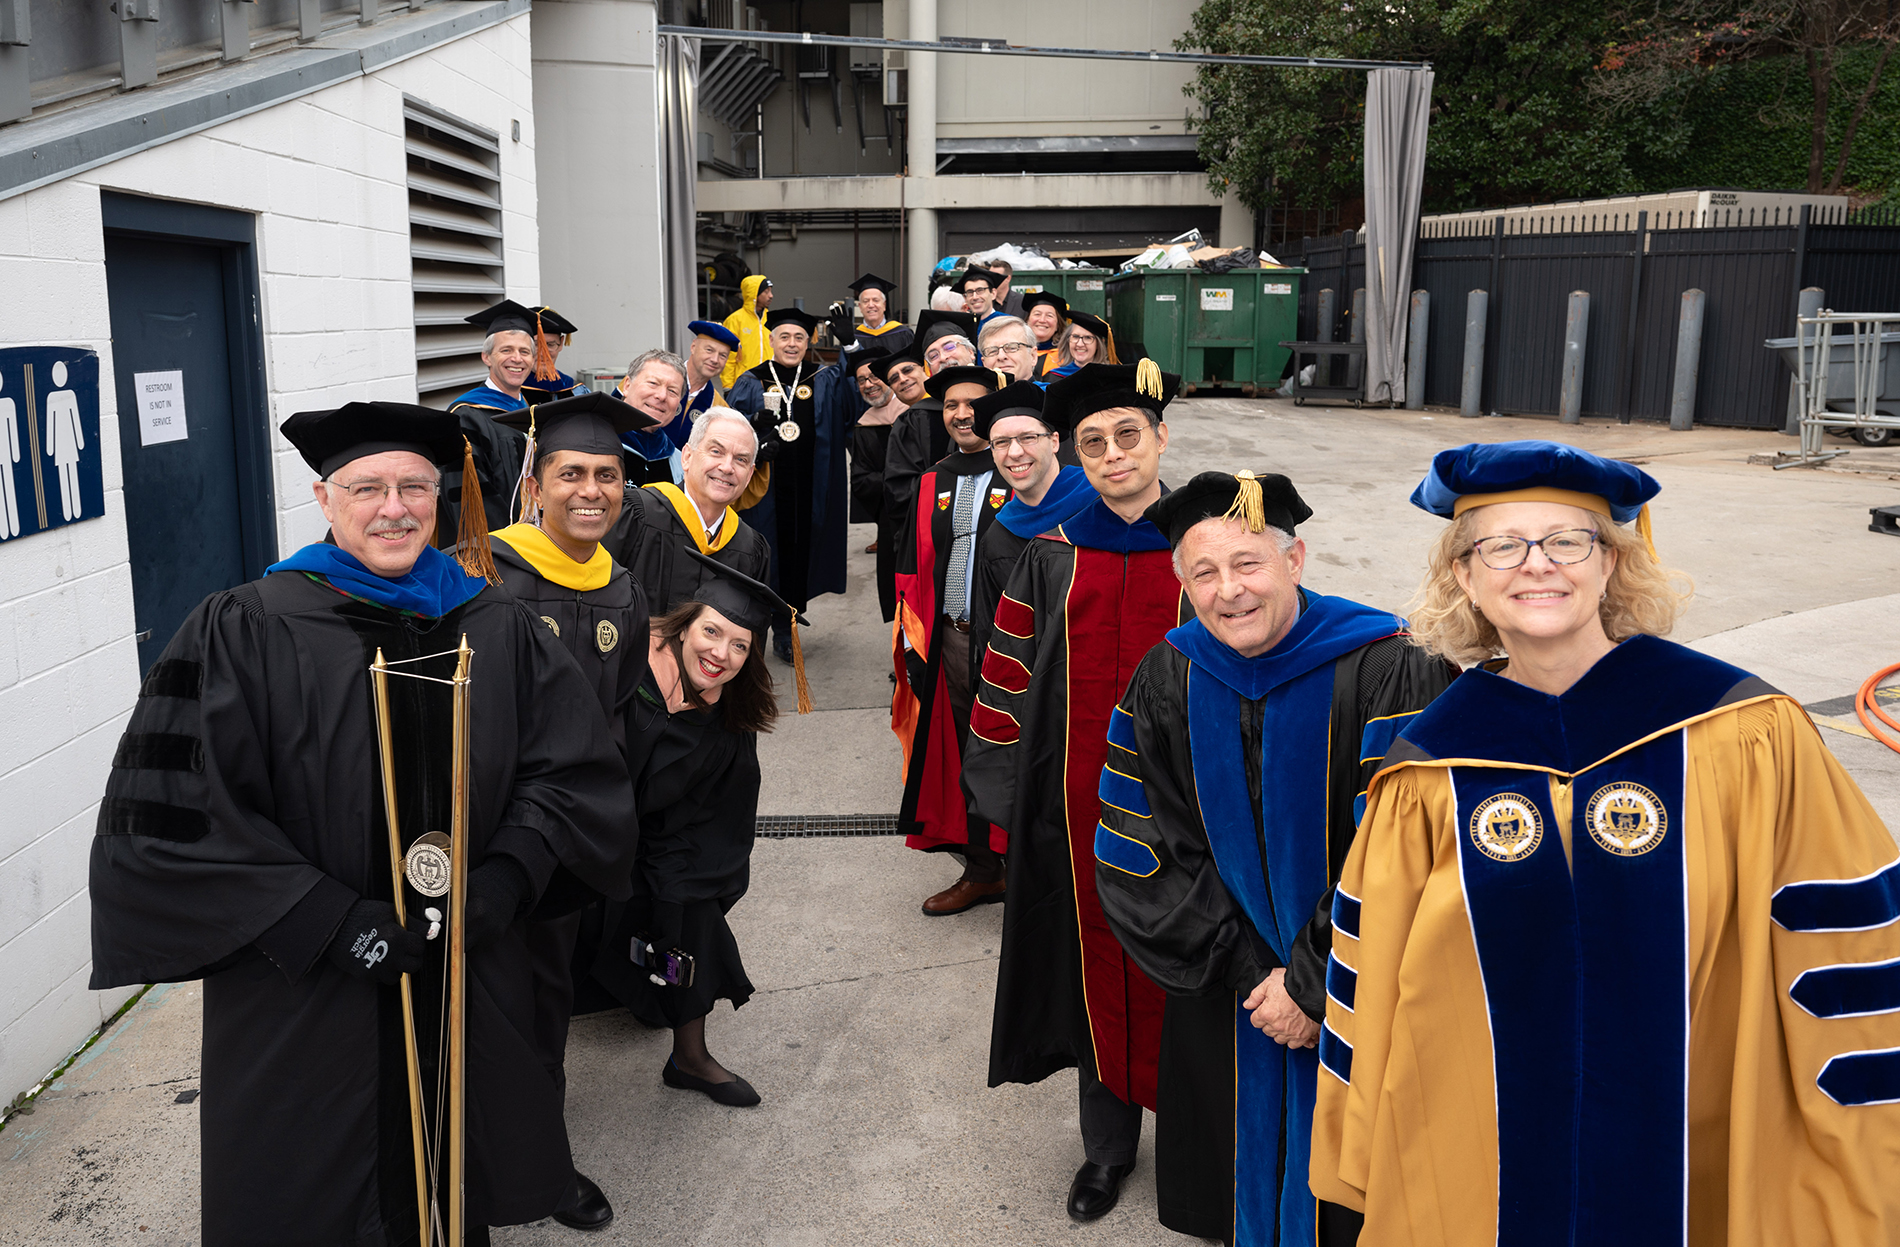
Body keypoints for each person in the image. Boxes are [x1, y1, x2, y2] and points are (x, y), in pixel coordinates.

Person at [1310, 440, 1900, 1247]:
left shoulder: (1742, 732)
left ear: (1613, 561)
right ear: (1464, 575)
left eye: (1566, 540)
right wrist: (1363, 1136)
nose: (1536, 565)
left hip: (1703, 1142)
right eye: (1502, 545)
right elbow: (1370, 978)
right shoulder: (1427, 775)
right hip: (1479, 1155)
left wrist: (1857, 1134)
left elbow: (1845, 942)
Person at [88, 402, 636, 1246]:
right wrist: (333, 922)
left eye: (415, 486)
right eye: (367, 487)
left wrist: (506, 879)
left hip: (464, 971)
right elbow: (182, 815)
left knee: (455, 1175)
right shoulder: (248, 626)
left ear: (440, 496)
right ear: (323, 497)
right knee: (319, 1193)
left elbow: (568, 771)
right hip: (307, 987)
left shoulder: (495, 624)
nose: (395, 507)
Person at [1092, 470, 1458, 1247]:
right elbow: (1141, 841)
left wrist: (1311, 982)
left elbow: (1406, 853)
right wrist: (1251, 976)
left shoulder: (1393, 666)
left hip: (1364, 990)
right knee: (1236, 1202)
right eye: (1205, 572)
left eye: (1249, 563)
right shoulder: (1169, 674)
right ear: (1181, 580)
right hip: (1229, 997)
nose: (1230, 590)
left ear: (1296, 559)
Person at [961, 362, 1186, 1224]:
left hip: (1193, 818)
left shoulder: (1204, 541)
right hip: (1077, 814)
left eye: (1128, 433)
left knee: (1190, 970)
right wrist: (1007, 802)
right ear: (1074, 452)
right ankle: (1106, 1148)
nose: (1112, 453)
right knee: (1093, 970)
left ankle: (1199, 1137)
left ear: (1161, 437)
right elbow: (1007, 677)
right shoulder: (1053, 555)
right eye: (1093, 441)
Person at [488, 391, 659, 1233]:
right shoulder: (488, 577)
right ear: (537, 483)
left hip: (567, 839)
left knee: (549, 997)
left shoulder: (622, 587)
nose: (591, 489)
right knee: (488, 1000)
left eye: (606, 473)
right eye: (571, 473)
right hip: (489, 834)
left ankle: (540, 1159)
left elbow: (623, 707)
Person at [588, 550, 790, 1110]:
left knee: (690, 914)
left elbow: (721, 813)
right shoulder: (626, 666)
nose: (720, 655)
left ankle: (689, 1056)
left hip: (667, 839)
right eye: (711, 632)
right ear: (686, 621)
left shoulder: (730, 718)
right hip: (591, 828)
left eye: (740, 646)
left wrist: (690, 883)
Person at [892, 366, 1009, 914]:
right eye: (951, 405)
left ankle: (1032, 869)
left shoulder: (1025, 472)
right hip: (954, 641)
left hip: (1016, 644)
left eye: (973, 404)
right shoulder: (933, 479)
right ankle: (983, 868)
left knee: (1019, 753)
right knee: (964, 752)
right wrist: (912, 642)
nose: (961, 414)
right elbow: (912, 567)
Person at [741, 306, 864, 662]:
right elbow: (735, 428)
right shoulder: (752, 380)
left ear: (808, 341)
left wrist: (852, 345)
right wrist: (753, 420)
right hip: (766, 488)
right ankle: (755, 627)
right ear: (771, 340)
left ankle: (786, 626)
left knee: (800, 552)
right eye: (784, 337)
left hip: (811, 482)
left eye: (799, 337)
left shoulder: (822, 377)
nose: (792, 344)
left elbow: (853, 405)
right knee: (766, 553)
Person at [964, 380, 1096, 674]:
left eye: (1028, 437)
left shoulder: (1099, 504)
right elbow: (992, 633)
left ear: (1054, 441)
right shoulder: (998, 536)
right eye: (1001, 442)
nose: (1014, 452)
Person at [610, 406, 771, 614]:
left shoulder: (751, 547)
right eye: (716, 451)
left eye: (741, 459)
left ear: (749, 476)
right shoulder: (635, 514)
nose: (727, 467)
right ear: (686, 457)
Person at [446, 299, 550, 532]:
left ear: (533, 360)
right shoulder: (467, 417)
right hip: (499, 543)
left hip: (541, 536)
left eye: (525, 352)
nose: (517, 359)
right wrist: (509, 541)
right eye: (506, 350)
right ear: (487, 357)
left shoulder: (533, 413)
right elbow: (469, 496)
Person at [869, 346, 931, 623]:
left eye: (908, 370)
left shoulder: (914, 418)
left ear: (924, 370)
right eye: (894, 378)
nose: (902, 379)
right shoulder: (913, 417)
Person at [673, 320, 763, 455]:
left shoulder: (718, 406)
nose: (715, 359)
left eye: (723, 356)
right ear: (693, 346)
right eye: (709, 350)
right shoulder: (661, 381)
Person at [845, 346, 900, 555]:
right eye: (861, 380)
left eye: (874, 376)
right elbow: (860, 480)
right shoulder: (864, 425)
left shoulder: (913, 411)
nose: (868, 384)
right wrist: (892, 480)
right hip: (888, 515)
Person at [719, 274, 773, 388]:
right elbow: (728, 356)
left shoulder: (772, 319)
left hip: (771, 382)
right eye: (766, 292)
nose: (771, 296)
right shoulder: (735, 320)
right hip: (744, 382)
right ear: (754, 294)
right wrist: (728, 386)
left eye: (771, 291)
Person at [847, 272, 913, 354]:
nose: (871, 305)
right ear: (860, 307)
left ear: (884, 305)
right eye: (866, 301)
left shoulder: (902, 333)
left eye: (876, 300)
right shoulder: (853, 338)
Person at [1045, 311, 1119, 381]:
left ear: (1098, 344)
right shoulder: (1053, 377)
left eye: (1088, 338)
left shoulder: (1109, 378)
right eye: (1075, 336)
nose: (1080, 344)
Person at [978, 316, 1042, 385]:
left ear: (1033, 356)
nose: (1001, 356)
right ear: (983, 362)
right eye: (992, 351)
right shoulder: (974, 395)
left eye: (1012, 348)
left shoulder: (1048, 394)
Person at [1020, 291, 1069, 375]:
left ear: (1057, 325)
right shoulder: (1015, 350)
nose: (1042, 320)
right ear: (1027, 320)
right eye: (1037, 314)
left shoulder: (1066, 355)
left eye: (1049, 316)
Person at [956, 266, 1007, 332]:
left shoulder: (1007, 324)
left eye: (980, 290)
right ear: (965, 298)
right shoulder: (960, 327)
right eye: (970, 292)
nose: (975, 297)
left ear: (993, 294)